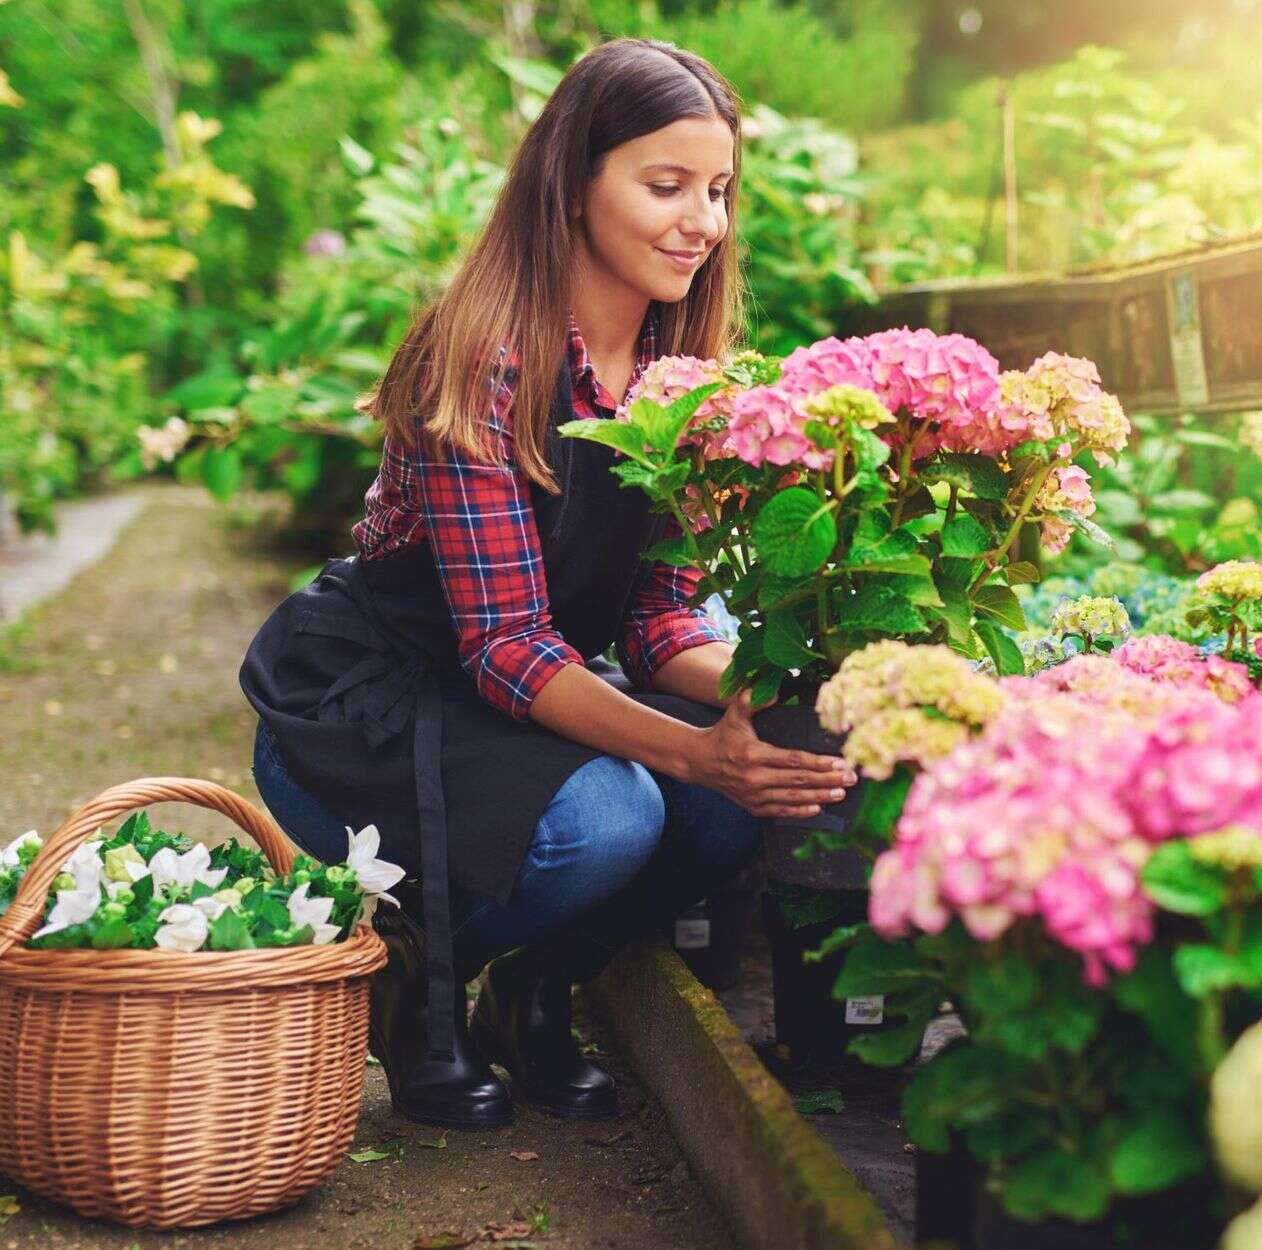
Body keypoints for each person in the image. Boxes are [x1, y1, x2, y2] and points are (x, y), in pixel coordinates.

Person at [238, 38, 855, 1131]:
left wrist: (763, 696)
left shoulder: (678, 376)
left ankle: (535, 988)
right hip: (368, 714)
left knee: (736, 795)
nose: (702, 223)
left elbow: (662, 618)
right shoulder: (479, 360)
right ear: (574, 185)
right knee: (614, 814)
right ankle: (411, 979)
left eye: (717, 191)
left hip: (512, 704)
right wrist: (689, 745)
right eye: (664, 186)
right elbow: (507, 643)